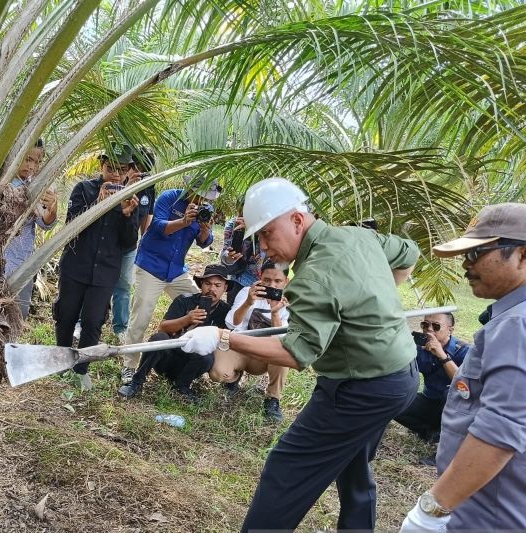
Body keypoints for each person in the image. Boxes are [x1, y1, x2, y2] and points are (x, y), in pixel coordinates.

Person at [180, 177, 420, 531]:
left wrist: (223, 336)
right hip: (401, 376)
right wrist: (373, 300)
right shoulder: (357, 236)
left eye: (267, 234)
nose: (263, 246)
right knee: (354, 467)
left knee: (286, 470)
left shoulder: (314, 275)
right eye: (258, 237)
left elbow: (296, 353)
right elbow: (408, 253)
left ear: (296, 220)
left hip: (359, 389)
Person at [399, 203, 526, 532]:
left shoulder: (517, 325)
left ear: (523, 255)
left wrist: (432, 510)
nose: (466, 264)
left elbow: (500, 431)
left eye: (479, 252)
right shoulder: (510, 317)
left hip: (490, 514)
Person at [53, 143, 139, 390]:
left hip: (105, 271)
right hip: (75, 265)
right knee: (66, 314)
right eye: (110, 167)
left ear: (128, 171)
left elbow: (129, 242)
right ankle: (61, 362)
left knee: (93, 320)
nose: (114, 173)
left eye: (120, 169)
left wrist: (126, 216)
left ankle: (81, 369)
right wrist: (97, 204)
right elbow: (71, 226)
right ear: (101, 165)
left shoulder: (130, 199)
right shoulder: (84, 189)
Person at [120, 174, 220, 384]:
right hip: (151, 266)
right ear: (190, 189)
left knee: (201, 305)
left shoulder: (205, 210)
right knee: (141, 316)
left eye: (207, 198)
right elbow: (156, 227)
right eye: (200, 195)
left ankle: (183, 358)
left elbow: (204, 243)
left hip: (176, 270)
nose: (203, 200)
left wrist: (204, 231)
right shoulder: (169, 198)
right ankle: (129, 366)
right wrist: (184, 221)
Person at [117, 264, 231, 403]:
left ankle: (182, 386)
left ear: (225, 288)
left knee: (207, 356)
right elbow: (162, 328)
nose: (212, 289)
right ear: (201, 284)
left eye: (217, 285)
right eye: (207, 283)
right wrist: (187, 319)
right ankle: (137, 381)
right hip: (169, 356)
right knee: (159, 338)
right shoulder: (184, 300)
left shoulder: (226, 311)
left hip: (191, 363)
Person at [225, 260, 290, 422]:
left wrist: (275, 313)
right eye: (267, 280)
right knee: (218, 372)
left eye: (278, 281)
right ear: (260, 277)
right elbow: (231, 323)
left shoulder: (288, 304)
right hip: (240, 349)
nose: (272, 285)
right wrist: (248, 302)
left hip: (263, 356)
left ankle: (273, 399)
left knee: (285, 352)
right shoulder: (247, 292)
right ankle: (233, 378)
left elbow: (281, 339)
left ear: (286, 282)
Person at [394, 313, 470, 447]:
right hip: (430, 401)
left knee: (449, 393)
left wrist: (442, 356)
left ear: (450, 330)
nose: (429, 329)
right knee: (394, 402)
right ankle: (431, 434)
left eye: (436, 326)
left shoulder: (465, 351)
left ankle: (446, 442)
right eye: (425, 324)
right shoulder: (420, 348)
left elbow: (464, 384)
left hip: (456, 408)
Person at [3, 139, 58, 317]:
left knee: (18, 315)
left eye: (37, 162)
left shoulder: (36, 187)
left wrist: (53, 208)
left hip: (21, 266)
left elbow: (45, 223)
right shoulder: (0, 183)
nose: (32, 166)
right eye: (28, 159)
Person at [111, 147, 156, 342]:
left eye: (144, 168)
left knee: (124, 285)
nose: (139, 171)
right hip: (106, 243)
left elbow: (147, 216)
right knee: (99, 282)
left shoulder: (149, 187)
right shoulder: (114, 183)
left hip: (129, 246)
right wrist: (127, 185)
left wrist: (143, 242)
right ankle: (84, 321)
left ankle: (120, 327)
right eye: (135, 166)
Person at [221, 207, 264, 305]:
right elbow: (225, 255)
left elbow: (263, 263)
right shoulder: (233, 224)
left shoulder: (268, 227)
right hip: (238, 277)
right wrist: (228, 258)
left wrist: (256, 231)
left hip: (262, 281)